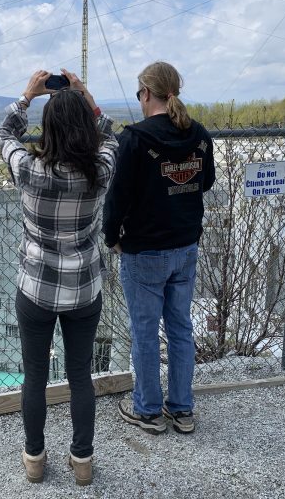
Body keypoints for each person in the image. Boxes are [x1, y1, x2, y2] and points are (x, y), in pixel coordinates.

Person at [0, 69, 118, 485]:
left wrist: (26, 97)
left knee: (35, 375)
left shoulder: (29, 171)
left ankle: (35, 458)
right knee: (80, 374)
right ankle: (82, 460)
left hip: (36, 288)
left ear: (47, 129)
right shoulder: (100, 171)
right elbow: (112, 136)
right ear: (85, 128)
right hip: (84, 288)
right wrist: (86, 94)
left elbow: (3, 136)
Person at [102, 61, 215, 435]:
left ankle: (148, 411)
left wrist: (111, 237)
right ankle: (182, 409)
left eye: (139, 94)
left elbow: (117, 199)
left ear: (146, 94)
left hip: (145, 250)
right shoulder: (198, 135)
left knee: (146, 331)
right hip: (185, 246)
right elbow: (207, 181)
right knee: (181, 327)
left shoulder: (134, 139)